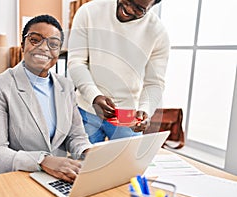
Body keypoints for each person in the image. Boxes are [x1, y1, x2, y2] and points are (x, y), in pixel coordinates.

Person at [0, 14, 92, 182]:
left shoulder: (66, 86)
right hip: (10, 180)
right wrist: (43, 160)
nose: (44, 48)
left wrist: (89, 153)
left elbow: (76, 136)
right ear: (23, 45)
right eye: (35, 39)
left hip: (53, 180)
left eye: (53, 44)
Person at [67, 0, 170, 143]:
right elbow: (77, 62)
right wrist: (94, 97)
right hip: (86, 110)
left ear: (152, 6)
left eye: (139, 9)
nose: (128, 9)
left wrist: (146, 109)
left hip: (128, 116)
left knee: (127, 164)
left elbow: (155, 83)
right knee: (84, 163)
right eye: (128, 0)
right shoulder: (88, 12)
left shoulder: (158, 32)